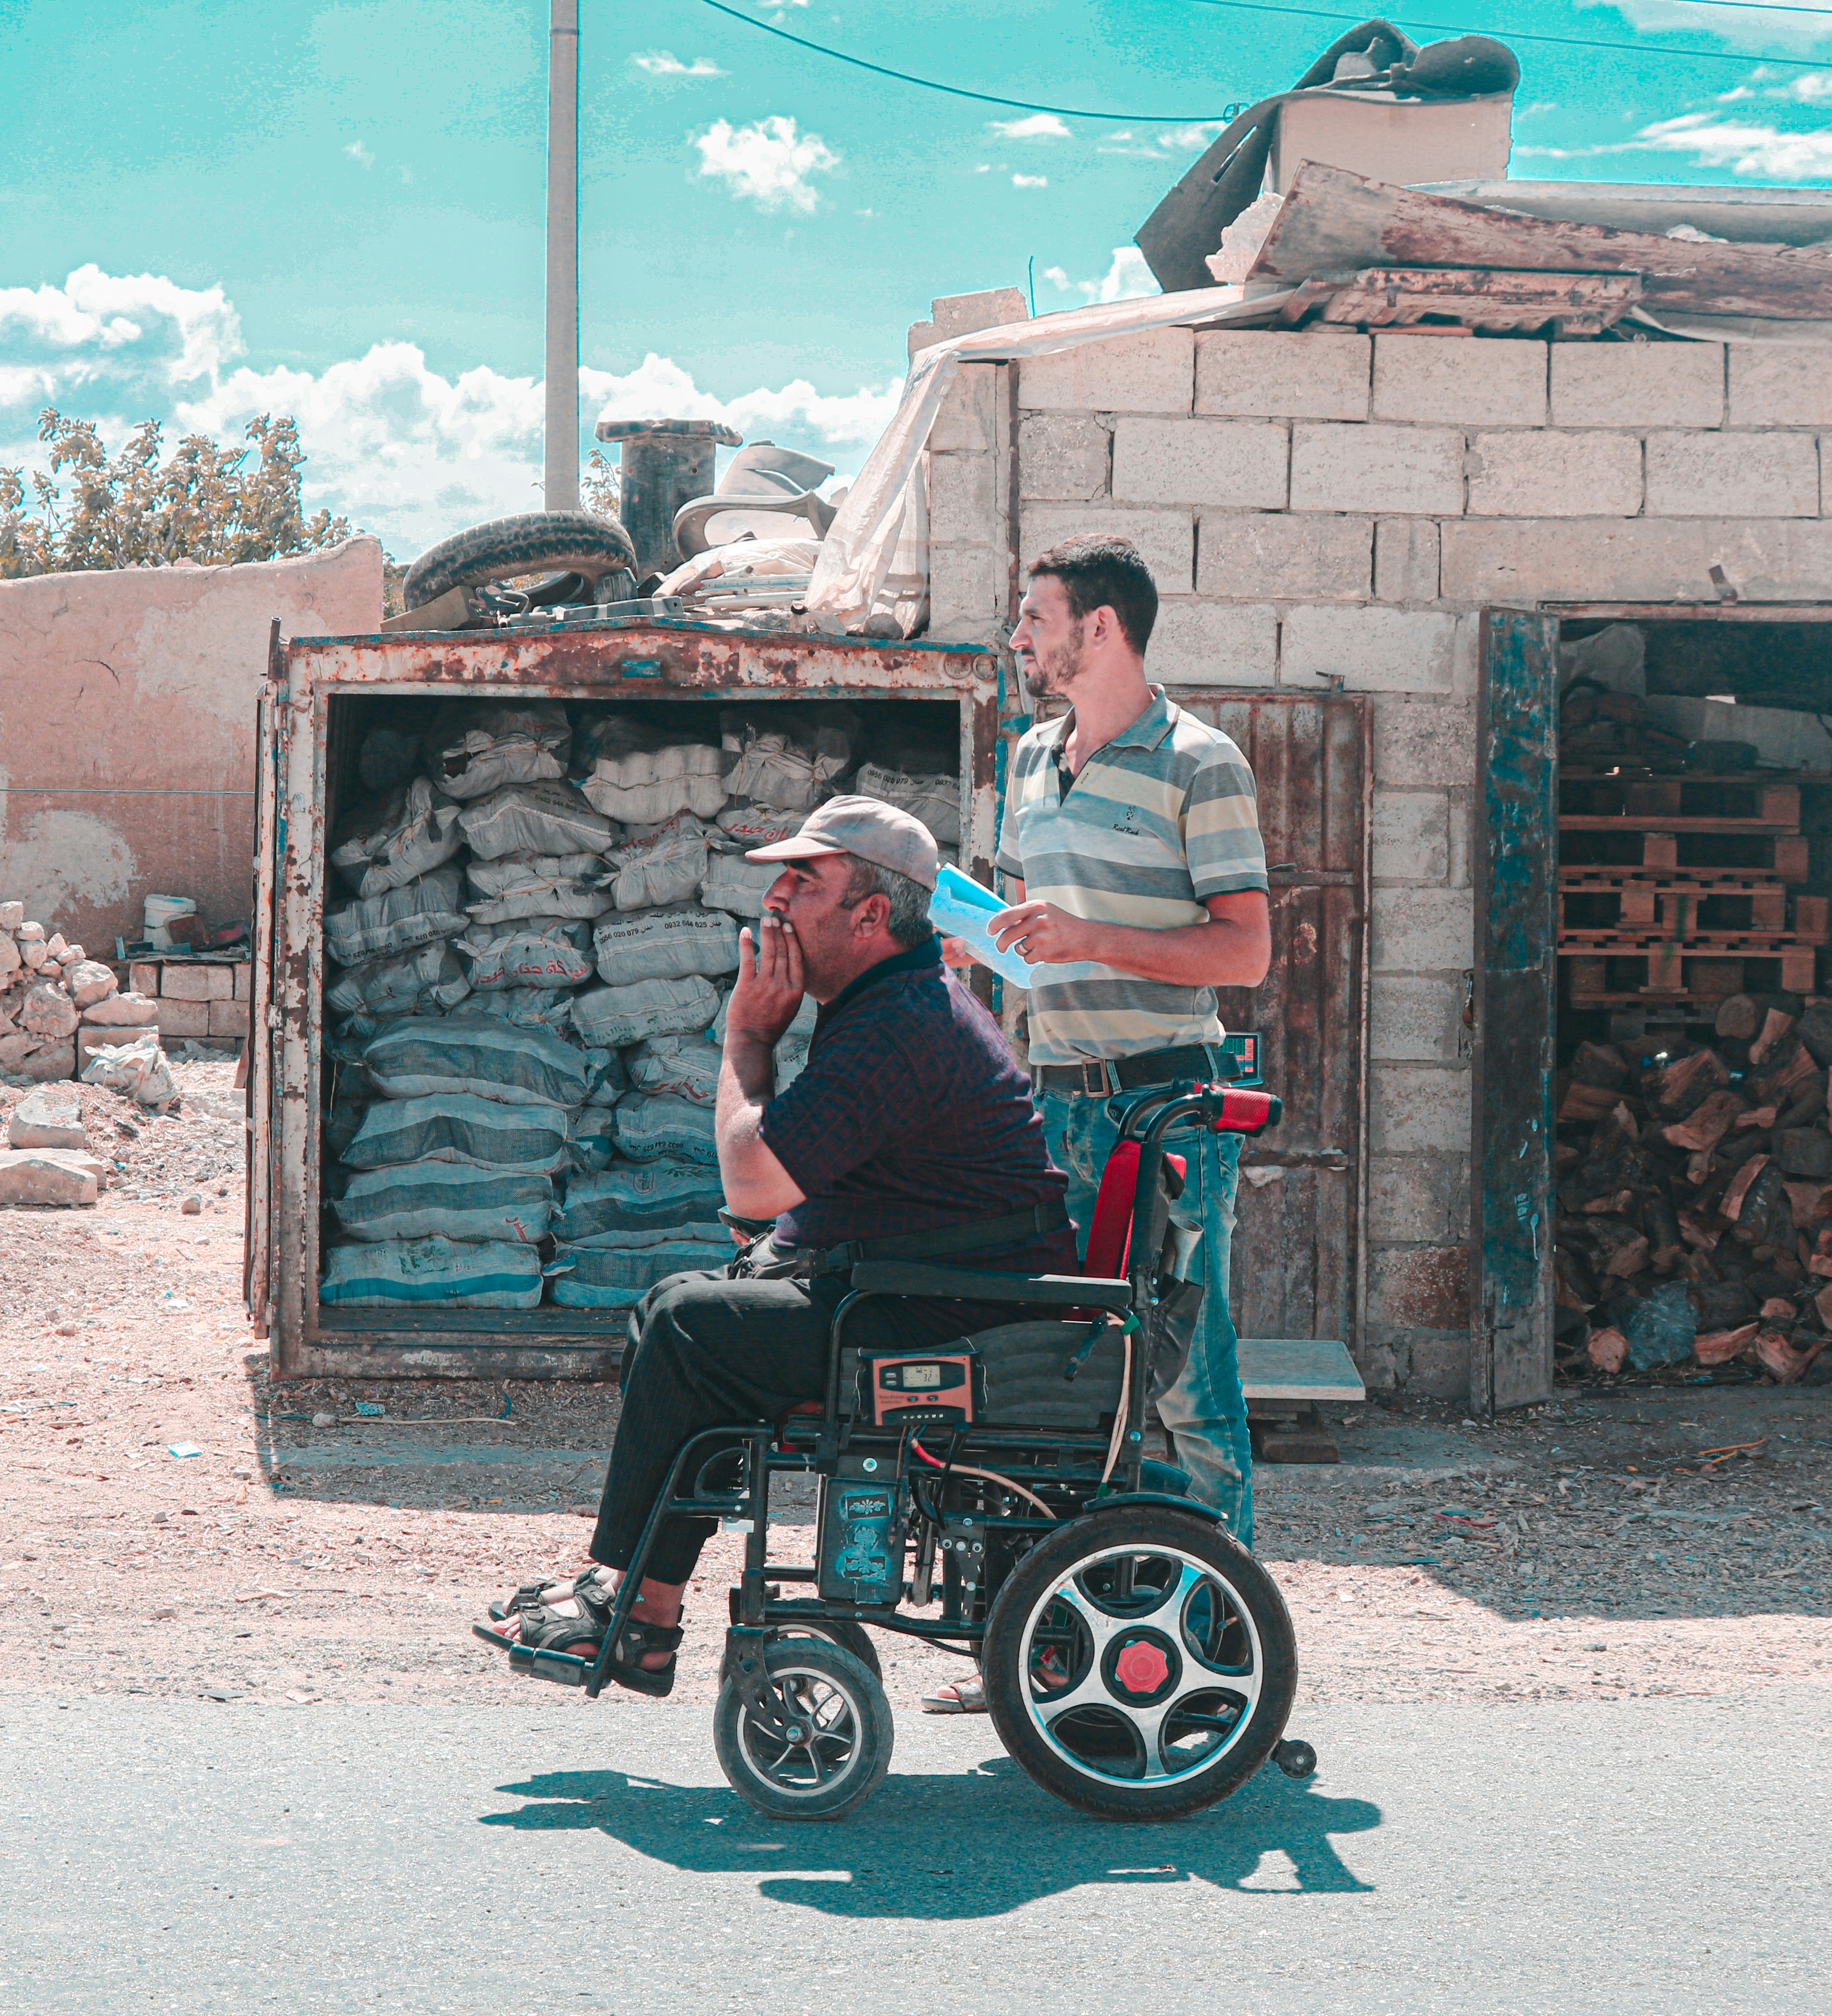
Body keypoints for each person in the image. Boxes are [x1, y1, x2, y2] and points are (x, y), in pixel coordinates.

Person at [476, 794, 1080, 1696]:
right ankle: (639, 1603)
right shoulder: (889, 1003)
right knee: (679, 1314)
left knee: (690, 1324)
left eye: (804, 880)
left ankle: (637, 1603)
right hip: (916, 1292)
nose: (777, 899)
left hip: (948, 1321)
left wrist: (749, 1036)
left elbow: (751, 1183)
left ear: (871, 915)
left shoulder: (900, 1024)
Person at [924, 532, 1272, 1715]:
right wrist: (974, 941)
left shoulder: (1200, 761)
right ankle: (1045, 1648)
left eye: (1037, 616)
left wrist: (1088, 937)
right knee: (1062, 1377)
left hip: (1165, 1103)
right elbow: (1036, 939)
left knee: (1188, 1383)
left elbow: (1246, 948)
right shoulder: (1031, 756)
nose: (1020, 636)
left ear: (1103, 629)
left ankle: (1225, 1662)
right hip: (1056, 1102)